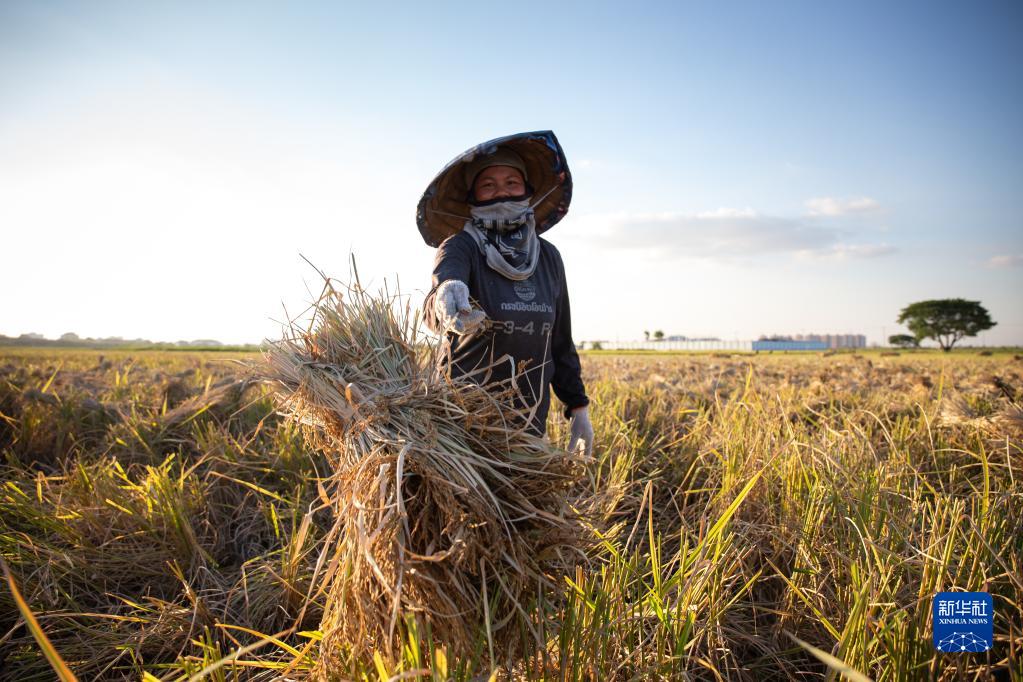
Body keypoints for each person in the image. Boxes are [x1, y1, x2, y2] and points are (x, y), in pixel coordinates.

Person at [417, 131, 593, 455]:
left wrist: (578, 407)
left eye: (512, 183)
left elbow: (559, 342)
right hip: (459, 429)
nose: (501, 192)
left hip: (527, 429)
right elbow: (436, 302)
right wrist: (447, 291)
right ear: (473, 198)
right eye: (488, 185)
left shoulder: (548, 257)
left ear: (528, 191)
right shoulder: (461, 247)